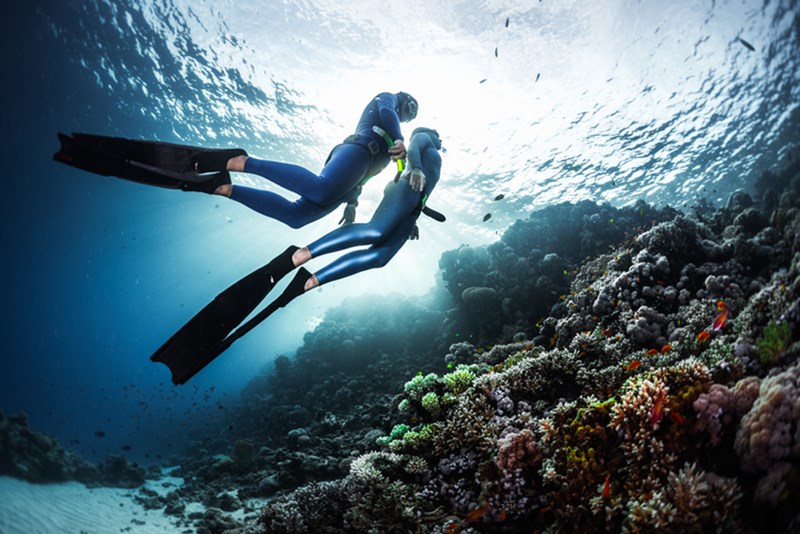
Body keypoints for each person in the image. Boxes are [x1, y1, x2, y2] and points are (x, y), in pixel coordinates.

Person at [150, 127, 444, 384]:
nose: (441, 139)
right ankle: (303, 255)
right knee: (375, 232)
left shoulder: (437, 160)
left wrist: (414, 216)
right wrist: (415, 166)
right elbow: (416, 142)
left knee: (381, 258)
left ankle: (310, 281)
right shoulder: (426, 138)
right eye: (438, 135)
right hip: (405, 186)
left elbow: (423, 182)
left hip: (413, 207)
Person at [53, 91, 418, 229]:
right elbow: (387, 112)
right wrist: (400, 138)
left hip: (355, 177)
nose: (406, 113)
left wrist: (353, 204)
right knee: (320, 190)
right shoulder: (386, 104)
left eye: (410, 115)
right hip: (354, 151)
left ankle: (224, 187)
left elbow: (366, 179)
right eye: (408, 108)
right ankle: (240, 161)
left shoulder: (395, 139)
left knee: (295, 217)